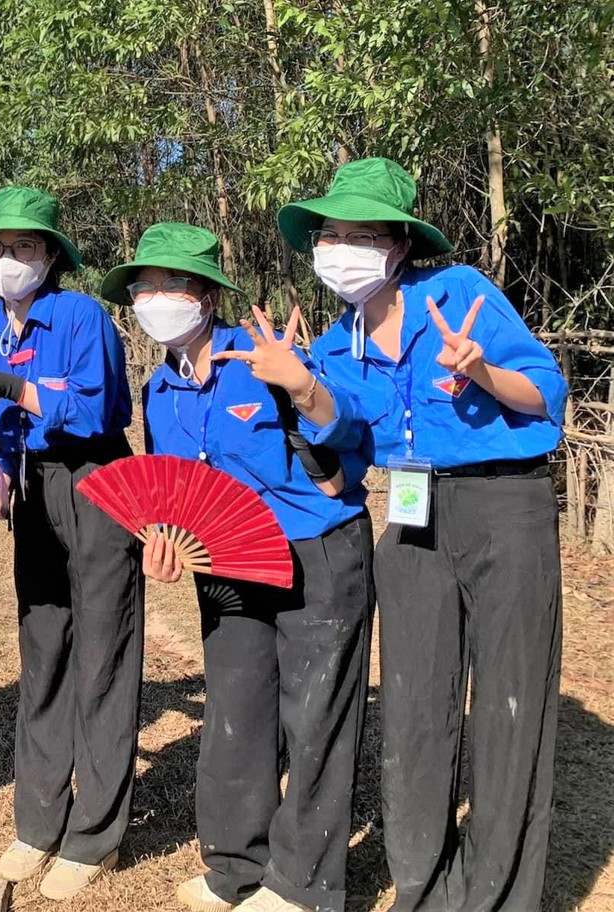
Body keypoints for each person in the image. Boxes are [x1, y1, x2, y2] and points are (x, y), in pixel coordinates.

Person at [280, 157, 566, 912]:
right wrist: (301, 387)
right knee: (412, 708)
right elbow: (346, 442)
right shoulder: (338, 346)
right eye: (329, 234)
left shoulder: (460, 295)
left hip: (506, 509)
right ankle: (422, 887)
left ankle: (497, 896)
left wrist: (481, 372)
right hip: (410, 519)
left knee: (511, 709)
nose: (339, 248)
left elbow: (546, 395)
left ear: (400, 247)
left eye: (360, 234)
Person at [102, 223, 374, 912]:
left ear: (206, 294)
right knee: (236, 712)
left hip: (316, 550)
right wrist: (164, 541)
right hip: (228, 561)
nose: (157, 298)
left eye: (172, 284)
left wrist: (304, 384)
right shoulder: (158, 391)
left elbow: (345, 439)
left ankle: (304, 884)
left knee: (315, 719)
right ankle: (233, 866)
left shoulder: (265, 360)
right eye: (145, 287)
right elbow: (175, 489)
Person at [0, 186, 142, 901]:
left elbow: (97, 409)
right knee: (45, 650)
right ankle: (38, 822)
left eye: (24, 247)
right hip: (30, 494)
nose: (7, 260)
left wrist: (16, 389)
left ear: (52, 255)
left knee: (103, 656)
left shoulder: (80, 315)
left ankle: (94, 836)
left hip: (95, 481)